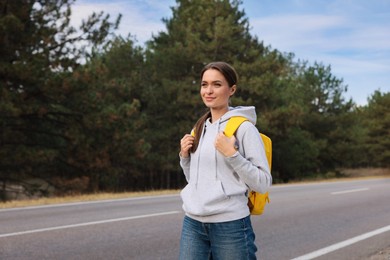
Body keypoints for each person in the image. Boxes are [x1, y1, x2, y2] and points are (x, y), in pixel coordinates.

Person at [179, 61, 272, 260]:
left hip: (230, 225)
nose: (209, 91)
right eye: (204, 85)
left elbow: (263, 183)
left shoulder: (244, 129)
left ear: (232, 89)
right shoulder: (199, 128)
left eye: (217, 84)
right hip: (193, 223)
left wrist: (233, 155)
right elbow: (195, 181)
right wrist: (185, 158)